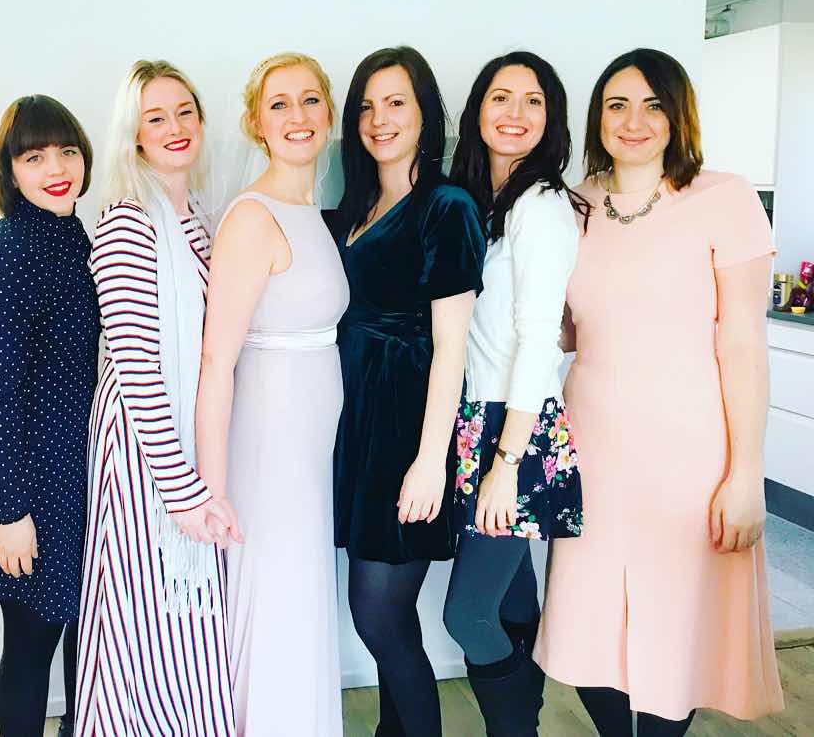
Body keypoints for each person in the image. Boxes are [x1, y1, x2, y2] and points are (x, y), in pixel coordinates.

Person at [535, 48, 785, 736]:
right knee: (585, 631)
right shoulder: (572, 204)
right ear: (597, 117)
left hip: (689, 451)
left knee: (677, 631)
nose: (634, 121)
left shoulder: (724, 197)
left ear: (678, 116)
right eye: (617, 105)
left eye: (652, 105)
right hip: (592, 448)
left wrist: (746, 474)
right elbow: (565, 329)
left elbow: (743, 344)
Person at [76, 60, 238, 736]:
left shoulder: (195, 216)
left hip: (184, 440)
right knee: (146, 623)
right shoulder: (127, 222)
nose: (174, 127)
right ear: (134, 135)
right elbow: (138, 368)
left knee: (185, 627)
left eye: (184, 112)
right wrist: (182, 491)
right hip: (146, 453)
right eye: (155, 117)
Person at [331, 46, 486, 737]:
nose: (379, 119)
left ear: (426, 114)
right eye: (367, 106)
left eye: (396, 102)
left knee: (379, 617)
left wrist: (430, 462)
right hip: (357, 425)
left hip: (407, 428)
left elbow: (452, 346)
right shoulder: (356, 204)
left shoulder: (446, 206)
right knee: (387, 618)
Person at [195, 52, 349, 736]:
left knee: (302, 591)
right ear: (256, 122)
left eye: (310, 100)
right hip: (269, 444)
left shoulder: (309, 210)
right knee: (278, 591)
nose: (297, 116)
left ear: (329, 115)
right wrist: (211, 488)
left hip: (308, 445)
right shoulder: (253, 218)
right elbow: (216, 362)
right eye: (279, 103)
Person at [444, 52, 587, 736]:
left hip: (515, 428)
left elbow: (538, 341)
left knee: (467, 615)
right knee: (507, 603)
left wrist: (506, 463)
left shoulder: (542, 205)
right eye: (501, 97)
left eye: (533, 101)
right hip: (480, 418)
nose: (515, 113)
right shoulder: (481, 203)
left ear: (551, 119)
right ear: (478, 110)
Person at [0, 95, 99, 736]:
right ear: (10, 169)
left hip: (79, 475)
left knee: (85, 640)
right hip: (33, 486)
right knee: (29, 649)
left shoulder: (71, 233)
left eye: (67, 151)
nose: (56, 168)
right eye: (35, 156)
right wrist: (8, 510)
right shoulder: (15, 247)